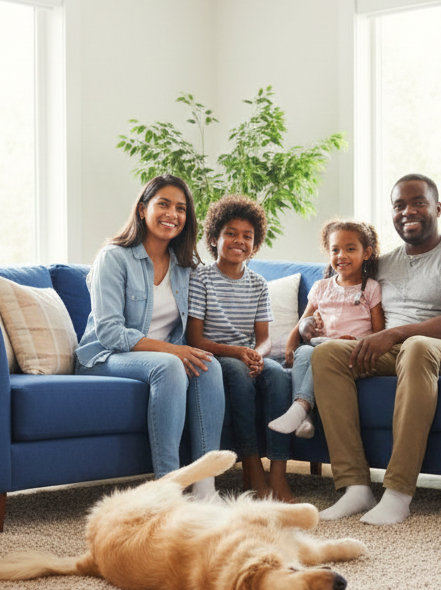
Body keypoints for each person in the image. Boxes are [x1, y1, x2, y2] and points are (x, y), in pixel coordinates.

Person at [312, 174, 441, 525]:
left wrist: (394, 335)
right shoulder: (382, 263)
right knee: (327, 354)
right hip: (399, 352)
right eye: (399, 205)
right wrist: (311, 325)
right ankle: (355, 487)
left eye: (418, 202)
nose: (408, 211)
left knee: (418, 347)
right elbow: (336, 283)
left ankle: (397, 492)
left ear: (437, 208)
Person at [75, 174, 225, 500]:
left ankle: (205, 488)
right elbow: (110, 331)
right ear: (143, 210)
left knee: (209, 365)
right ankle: (167, 490)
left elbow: (199, 323)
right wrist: (173, 351)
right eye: (164, 204)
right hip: (105, 356)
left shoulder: (185, 267)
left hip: (159, 356)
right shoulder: (114, 258)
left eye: (181, 208)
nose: (173, 214)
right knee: (171, 365)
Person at [186, 195, 293, 501]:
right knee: (240, 374)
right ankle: (252, 466)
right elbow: (195, 339)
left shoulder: (258, 283)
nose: (239, 241)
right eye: (230, 233)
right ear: (214, 238)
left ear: (255, 244)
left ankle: (279, 473)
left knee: (278, 377)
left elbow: (264, 338)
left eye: (248, 236)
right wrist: (237, 353)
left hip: (248, 354)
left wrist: (258, 353)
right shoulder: (201, 278)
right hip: (218, 355)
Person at [268, 219, 383, 442]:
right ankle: (305, 418)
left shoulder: (370, 288)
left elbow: (379, 332)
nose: (342, 255)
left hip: (351, 349)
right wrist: (293, 341)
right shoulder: (322, 287)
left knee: (322, 352)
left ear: (366, 253)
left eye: (350, 249)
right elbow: (303, 320)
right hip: (321, 345)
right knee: (305, 352)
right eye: (335, 249)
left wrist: (357, 341)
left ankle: (300, 407)